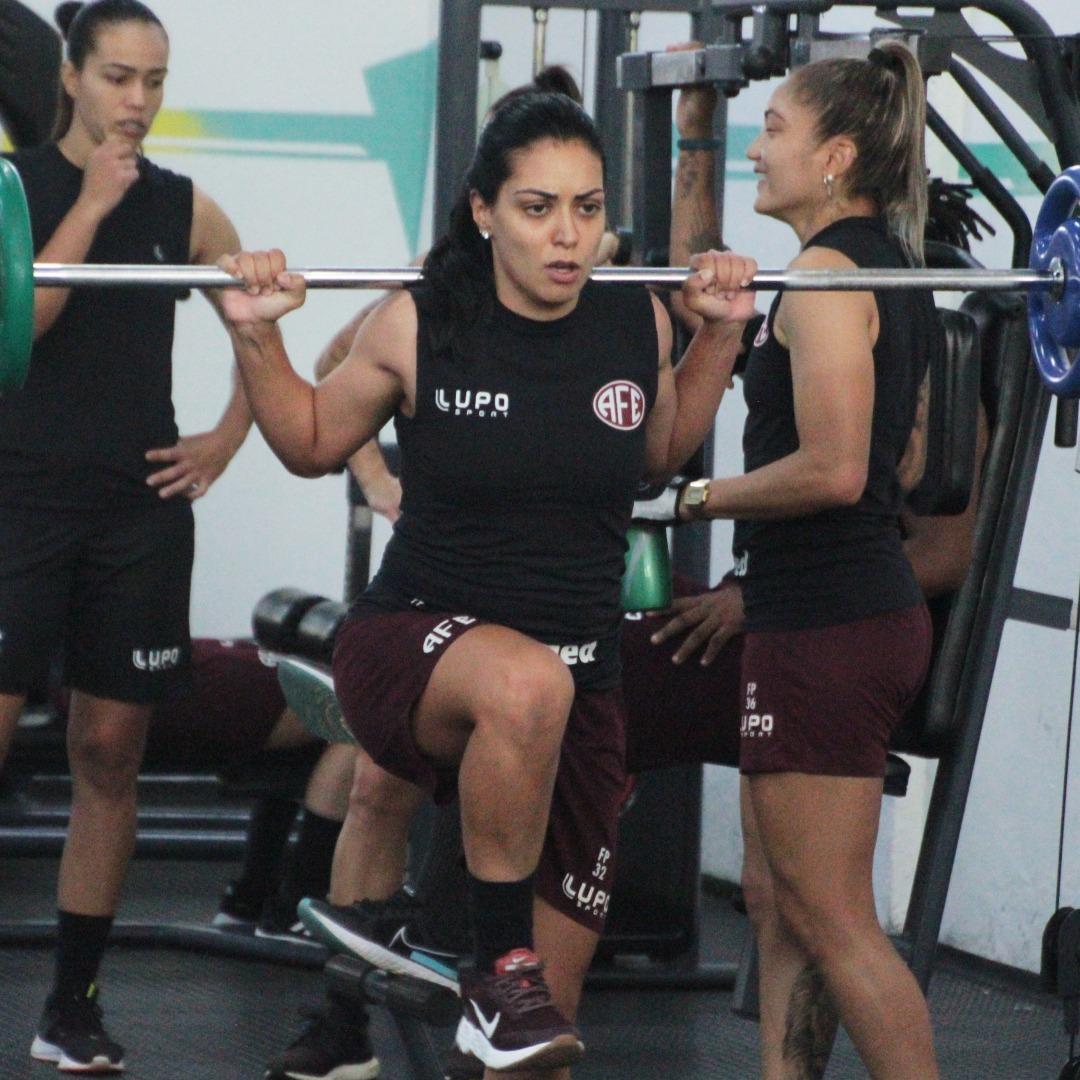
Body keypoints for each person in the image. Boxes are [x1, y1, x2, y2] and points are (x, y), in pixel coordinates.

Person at [219, 91, 755, 1078]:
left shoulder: (634, 318)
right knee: (524, 685)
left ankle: (502, 998)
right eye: (538, 207)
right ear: (482, 212)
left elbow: (658, 453)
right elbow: (306, 441)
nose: (568, 235)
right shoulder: (419, 325)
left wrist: (718, 335)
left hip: (582, 691)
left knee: (539, 1049)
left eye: (587, 209)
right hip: (415, 649)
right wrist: (256, 334)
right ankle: (490, 967)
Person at [664, 41, 942, 1080]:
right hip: (823, 612)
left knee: (833, 919)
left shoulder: (827, 275)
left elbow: (835, 470)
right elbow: (900, 458)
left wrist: (690, 497)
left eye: (774, 128)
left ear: (833, 156)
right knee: (782, 901)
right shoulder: (879, 265)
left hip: (830, 623)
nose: (759, 147)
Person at [0, 1, 252, 1070]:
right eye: (117, 78)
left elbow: (258, 316)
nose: (138, 103)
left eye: (153, 80)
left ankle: (71, 1005)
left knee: (111, 753)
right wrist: (92, 207)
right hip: (18, 503)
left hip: (136, 516)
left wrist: (228, 440)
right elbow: (21, 324)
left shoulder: (188, 209)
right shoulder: (17, 196)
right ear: (70, 78)